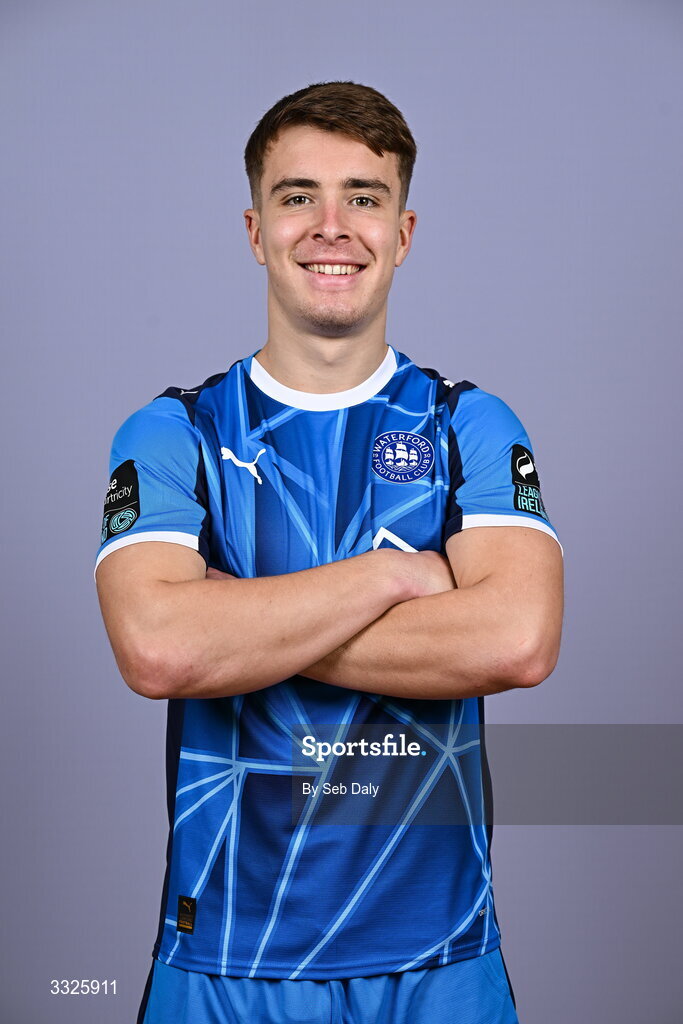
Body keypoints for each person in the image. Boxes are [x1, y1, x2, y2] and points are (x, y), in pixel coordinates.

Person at [95, 81, 563, 1024]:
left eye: (364, 195)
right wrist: (395, 577)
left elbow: (516, 640)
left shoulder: (466, 424)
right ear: (254, 228)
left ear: (404, 231)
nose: (331, 225)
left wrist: (239, 622)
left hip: (439, 957)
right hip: (225, 956)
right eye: (297, 195)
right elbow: (160, 650)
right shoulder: (171, 433)